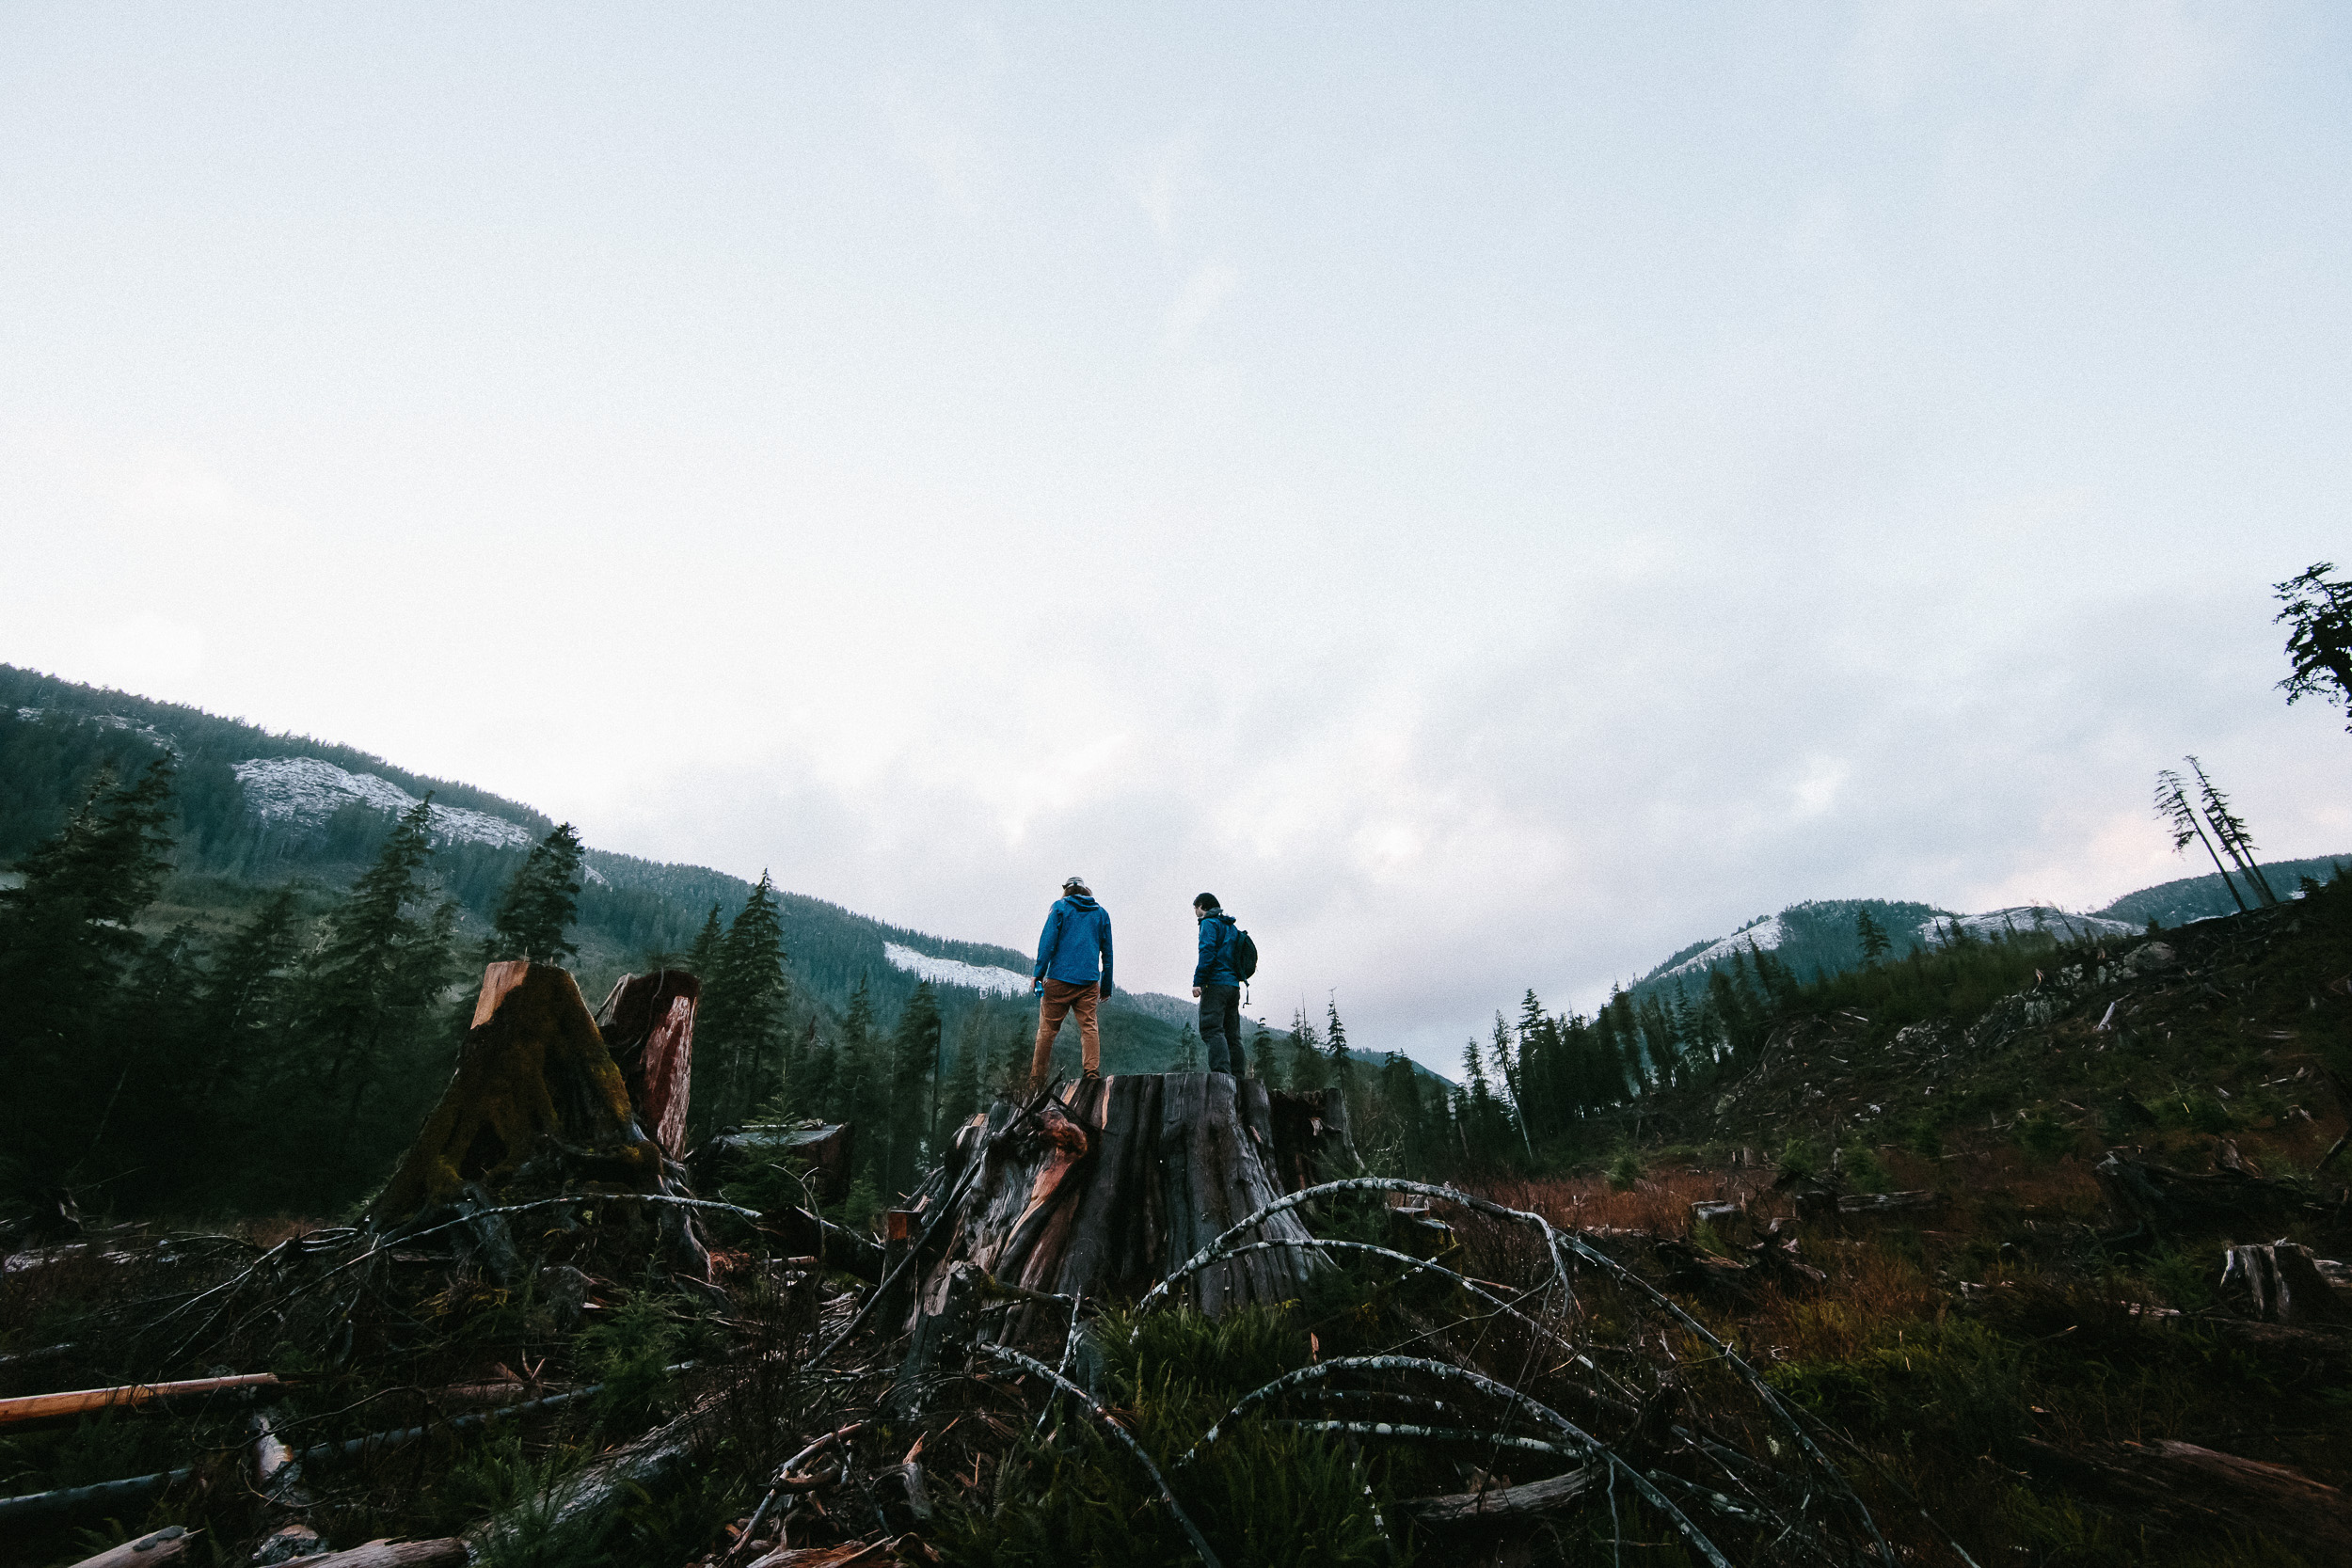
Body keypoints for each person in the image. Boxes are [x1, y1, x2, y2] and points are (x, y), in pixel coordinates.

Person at [1029, 875, 1113, 1087]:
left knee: (1047, 1031)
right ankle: (1092, 1074)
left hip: (1059, 979)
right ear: (1086, 891)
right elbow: (1108, 953)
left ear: (1066, 890)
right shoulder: (1101, 914)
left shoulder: (1059, 908)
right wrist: (1106, 986)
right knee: (1089, 1027)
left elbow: (1047, 943)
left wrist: (1038, 974)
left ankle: (1036, 1081)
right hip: (1088, 982)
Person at [1191, 893, 1242, 1076]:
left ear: (1202, 905)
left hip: (1215, 984)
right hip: (1233, 986)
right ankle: (1238, 1077)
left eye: (1195, 908)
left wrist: (1198, 982)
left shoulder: (1208, 923)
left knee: (1212, 1029)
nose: (1195, 912)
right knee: (1232, 1034)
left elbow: (1207, 952)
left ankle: (1221, 1076)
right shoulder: (1231, 927)